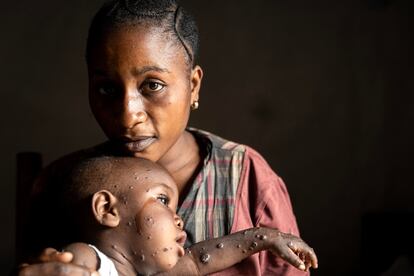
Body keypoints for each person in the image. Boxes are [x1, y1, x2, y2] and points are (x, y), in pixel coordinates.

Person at [19, 0, 311, 275]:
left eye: (152, 85)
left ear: (193, 86)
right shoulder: (60, 184)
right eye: (106, 89)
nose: (128, 115)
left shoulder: (247, 180)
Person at [59, 156, 317, 276]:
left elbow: (198, 260)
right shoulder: (89, 259)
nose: (178, 217)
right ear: (107, 209)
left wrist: (266, 237)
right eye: (162, 200)